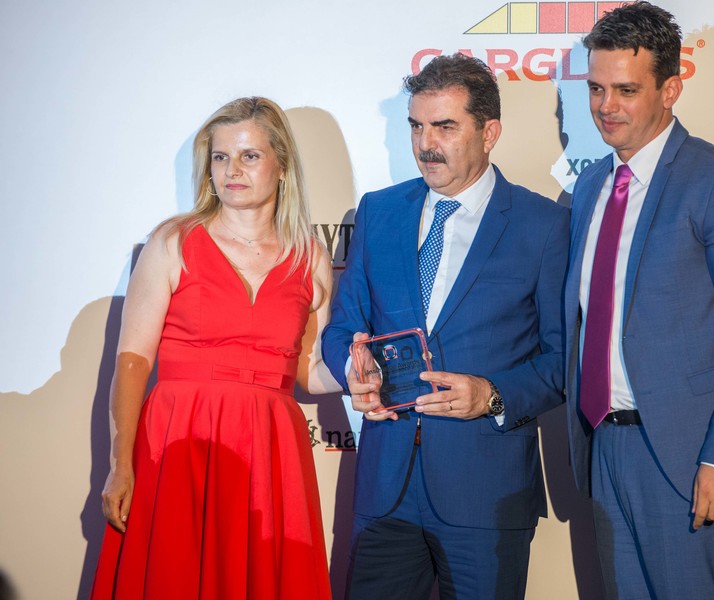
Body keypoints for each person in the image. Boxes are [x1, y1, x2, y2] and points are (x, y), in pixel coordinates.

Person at [321, 54, 568, 600]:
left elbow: (563, 360)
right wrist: (352, 369)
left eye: (445, 126)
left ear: (490, 132)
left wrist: (492, 394)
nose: (425, 144)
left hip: (486, 492)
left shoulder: (544, 224)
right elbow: (342, 329)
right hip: (385, 489)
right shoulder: (379, 212)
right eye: (416, 126)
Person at [563, 3, 714, 599]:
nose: (606, 106)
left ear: (671, 89)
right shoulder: (590, 185)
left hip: (691, 459)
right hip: (604, 446)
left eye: (626, 90)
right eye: (596, 88)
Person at [90, 97, 338, 599]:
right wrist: (121, 462)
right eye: (220, 157)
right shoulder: (173, 242)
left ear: (282, 166)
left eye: (249, 156)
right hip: (180, 439)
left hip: (270, 449)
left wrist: (363, 377)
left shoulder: (309, 256)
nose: (231, 170)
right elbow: (133, 361)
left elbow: (310, 371)